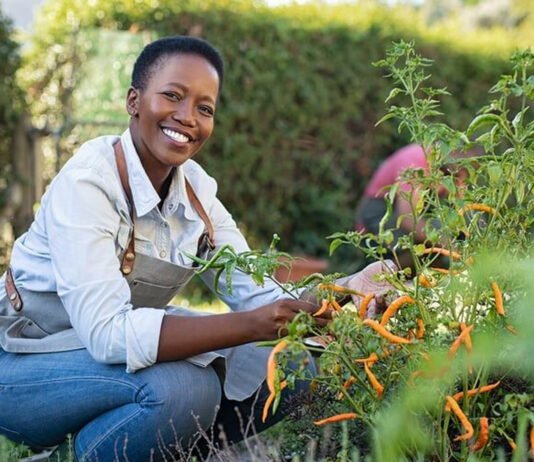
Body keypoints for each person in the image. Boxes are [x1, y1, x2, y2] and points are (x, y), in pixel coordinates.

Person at [0, 36, 394, 461]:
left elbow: (259, 294)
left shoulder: (197, 193)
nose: (187, 118)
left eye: (205, 109)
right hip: (25, 363)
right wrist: (253, 325)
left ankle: (161, 451)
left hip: (99, 360)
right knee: (186, 389)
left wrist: (347, 290)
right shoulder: (89, 184)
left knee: (292, 366)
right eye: (172, 96)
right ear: (134, 100)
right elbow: (107, 335)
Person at [355, 144, 472, 270]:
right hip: (379, 213)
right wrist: (448, 244)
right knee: (431, 241)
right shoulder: (415, 163)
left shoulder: (441, 166)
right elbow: (407, 219)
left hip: (402, 212)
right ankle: (380, 276)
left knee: (439, 236)